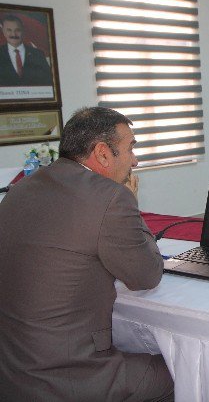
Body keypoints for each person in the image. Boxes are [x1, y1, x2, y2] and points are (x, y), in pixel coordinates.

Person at [0, 107, 173, 401]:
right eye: (130, 149)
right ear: (103, 154)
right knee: (187, 369)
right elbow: (147, 275)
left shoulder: (21, 188)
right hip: (68, 377)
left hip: (12, 370)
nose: (135, 160)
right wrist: (131, 200)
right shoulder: (111, 198)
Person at [0, 14, 53, 87]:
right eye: (9, 30)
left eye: (17, 30)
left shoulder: (38, 54)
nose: (14, 34)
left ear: (23, 30)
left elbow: (48, 82)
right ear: (3, 31)